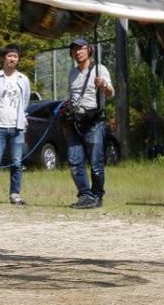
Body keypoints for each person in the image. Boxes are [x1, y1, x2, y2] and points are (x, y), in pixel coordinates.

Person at [65, 38, 113, 209]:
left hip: (94, 122)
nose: (78, 52)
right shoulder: (72, 73)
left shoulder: (100, 69)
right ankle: (85, 194)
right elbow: (71, 96)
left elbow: (110, 93)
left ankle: (97, 196)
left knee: (96, 163)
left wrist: (103, 85)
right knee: (75, 160)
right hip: (75, 122)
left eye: (81, 48)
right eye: (75, 49)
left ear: (89, 50)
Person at [0, 44, 31, 207]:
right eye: (9, 56)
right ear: (4, 58)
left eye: (15, 56)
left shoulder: (23, 79)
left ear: (18, 59)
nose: (12, 59)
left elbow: (25, 101)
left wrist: (21, 119)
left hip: (17, 126)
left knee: (17, 162)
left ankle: (15, 194)